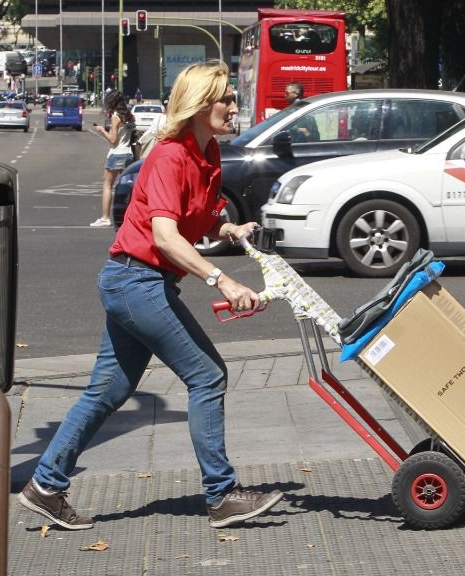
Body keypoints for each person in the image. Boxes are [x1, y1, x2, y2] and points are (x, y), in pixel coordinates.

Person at [19, 60, 283, 532]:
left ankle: (45, 485)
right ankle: (222, 496)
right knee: (208, 376)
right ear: (202, 105)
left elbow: (195, 221)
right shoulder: (168, 156)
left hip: (144, 283)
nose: (233, 106)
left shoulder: (207, 155)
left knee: (109, 390)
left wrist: (229, 227)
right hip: (134, 281)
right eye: (225, 99)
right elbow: (164, 236)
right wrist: (222, 280)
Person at [89, 90, 136, 227]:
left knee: (107, 185)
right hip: (128, 154)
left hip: (116, 154)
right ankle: (131, 216)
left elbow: (113, 140)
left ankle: (105, 217)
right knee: (127, 187)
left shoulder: (115, 117)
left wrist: (102, 130)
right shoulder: (129, 116)